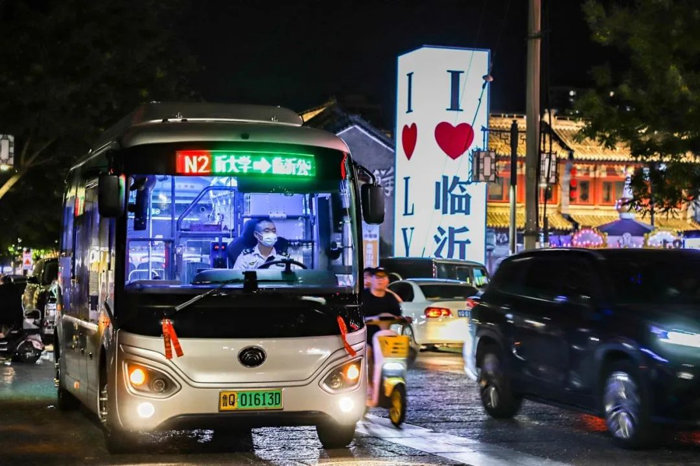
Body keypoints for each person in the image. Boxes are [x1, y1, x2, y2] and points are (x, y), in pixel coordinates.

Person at [362, 267, 402, 390]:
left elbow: (398, 315)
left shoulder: (390, 298)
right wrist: (369, 319)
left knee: (399, 353)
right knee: (368, 353)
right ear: (371, 280)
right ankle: (368, 385)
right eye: (377, 277)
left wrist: (402, 319)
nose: (380, 280)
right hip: (366, 336)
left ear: (387, 281)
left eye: (383, 277)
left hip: (385, 336)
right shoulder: (363, 296)